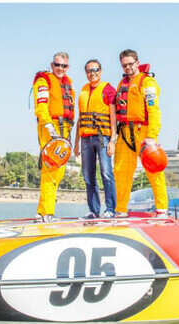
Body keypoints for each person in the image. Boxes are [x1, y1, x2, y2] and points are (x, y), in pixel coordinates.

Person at [114, 49, 168, 218]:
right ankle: (120, 210)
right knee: (121, 171)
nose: (128, 67)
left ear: (137, 63)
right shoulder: (121, 83)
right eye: (124, 65)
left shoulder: (147, 82)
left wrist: (152, 136)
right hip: (124, 132)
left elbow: (154, 110)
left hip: (143, 132)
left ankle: (162, 209)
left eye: (131, 64)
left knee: (154, 170)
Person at [32, 52, 75, 222]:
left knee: (59, 172)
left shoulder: (68, 83)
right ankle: (46, 212)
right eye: (58, 65)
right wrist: (49, 126)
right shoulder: (44, 81)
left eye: (64, 66)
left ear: (68, 67)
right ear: (52, 65)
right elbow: (41, 106)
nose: (60, 68)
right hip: (50, 127)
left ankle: (43, 211)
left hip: (65, 129)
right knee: (50, 168)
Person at [74, 59, 117, 219]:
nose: (92, 73)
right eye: (89, 70)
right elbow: (80, 118)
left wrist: (113, 140)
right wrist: (76, 142)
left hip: (102, 138)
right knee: (87, 176)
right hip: (85, 139)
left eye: (95, 70)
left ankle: (110, 209)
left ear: (101, 71)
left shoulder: (108, 89)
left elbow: (113, 117)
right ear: (86, 73)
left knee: (106, 173)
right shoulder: (83, 90)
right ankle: (93, 211)